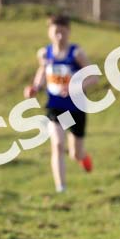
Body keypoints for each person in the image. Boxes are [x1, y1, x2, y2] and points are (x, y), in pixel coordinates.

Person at [24, 14, 98, 193]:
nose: (59, 36)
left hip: (75, 108)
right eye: (55, 32)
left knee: (75, 153)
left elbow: (94, 77)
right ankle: (61, 188)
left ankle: (83, 157)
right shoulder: (44, 54)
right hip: (55, 107)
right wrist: (35, 87)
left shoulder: (76, 53)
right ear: (49, 32)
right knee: (57, 144)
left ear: (69, 32)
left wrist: (75, 87)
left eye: (62, 32)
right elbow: (43, 72)